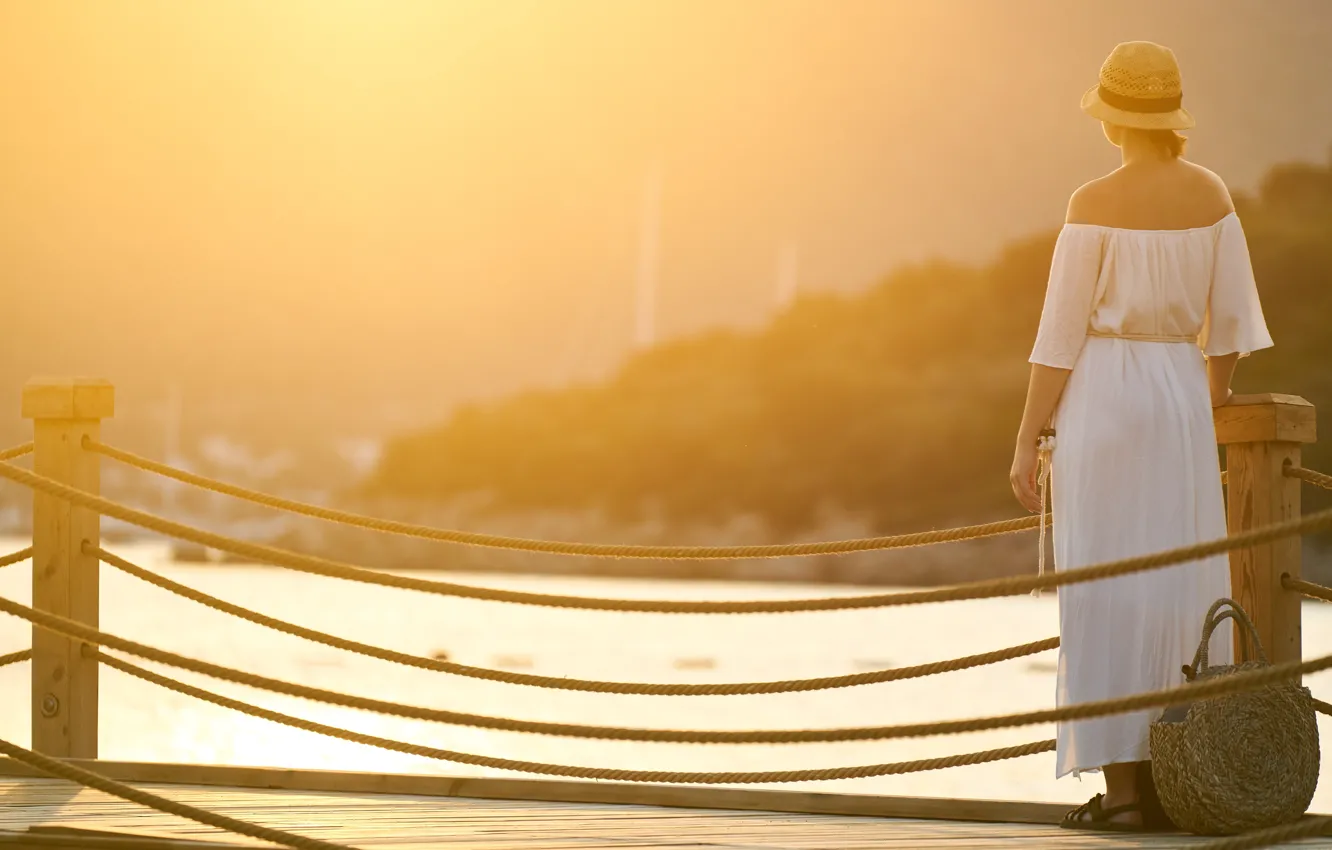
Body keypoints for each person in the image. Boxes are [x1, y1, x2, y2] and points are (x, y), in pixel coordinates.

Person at [1010, 41, 1273, 832]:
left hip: (1103, 399)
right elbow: (1232, 321)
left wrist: (1027, 438)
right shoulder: (1212, 194)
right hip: (1178, 400)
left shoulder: (1091, 200)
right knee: (1182, 585)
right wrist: (1211, 394)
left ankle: (1124, 794)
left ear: (1111, 119)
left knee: (1106, 590)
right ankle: (1180, 779)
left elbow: (1058, 338)